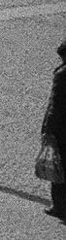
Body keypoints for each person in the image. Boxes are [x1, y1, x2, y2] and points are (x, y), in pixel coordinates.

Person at [44, 40, 66, 220]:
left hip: (62, 131)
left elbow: (55, 106)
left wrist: (47, 130)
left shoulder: (62, 75)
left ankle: (59, 206)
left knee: (59, 168)